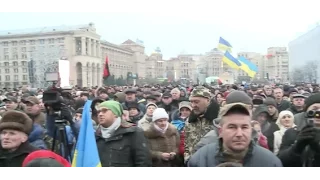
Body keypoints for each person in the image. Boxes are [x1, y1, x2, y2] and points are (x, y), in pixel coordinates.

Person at [187, 103, 282, 167]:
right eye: (232, 127)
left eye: (244, 127)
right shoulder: (201, 159)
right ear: (220, 131)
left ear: (251, 130)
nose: (239, 134)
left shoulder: (270, 162)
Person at [96, 100, 151, 167]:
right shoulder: (96, 135)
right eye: (99, 112)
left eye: (104, 111)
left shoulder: (133, 133)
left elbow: (143, 162)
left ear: (115, 113)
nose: (100, 114)